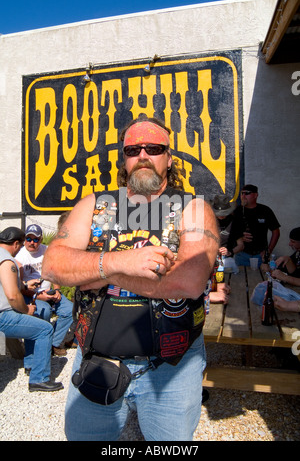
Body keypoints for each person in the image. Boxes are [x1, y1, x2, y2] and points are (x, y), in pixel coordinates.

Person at [42, 115, 219, 441]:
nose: (143, 155)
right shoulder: (95, 205)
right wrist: (122, 262)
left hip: (172, 370)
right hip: (95, 361)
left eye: (153, 147)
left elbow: (189, 281)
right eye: (133, 149)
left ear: (168, 157)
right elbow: (53, 264)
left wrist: (105, 274)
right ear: (124, 158)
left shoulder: (191, 208)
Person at [0, 227, 63, 392]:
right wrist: (26, 310)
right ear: (15, 244)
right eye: (20, 245)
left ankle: (30, 365)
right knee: (44, 329)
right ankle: (39, 379)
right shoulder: (7, 261)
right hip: (2, 317)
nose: (20, 249)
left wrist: (26, 284)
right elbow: (13, 296)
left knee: (32, 325)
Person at [16, 224, 73, 356]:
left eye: (35, 239)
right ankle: (39, 347)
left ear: (41, 240)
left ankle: (52, 343)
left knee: (69, 310)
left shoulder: (47, 250)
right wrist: (40, 296)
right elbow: (21, 287)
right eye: (29, 239)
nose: (32, 242)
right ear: (24, 239)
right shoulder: (19, 257)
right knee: (44, 311)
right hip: (32, 295)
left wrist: (57, 290)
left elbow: (55, 273)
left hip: (49, 292)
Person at [229, 184, 280, 267]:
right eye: (242, 193)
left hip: (260, 255)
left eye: (247, 193)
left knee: (261, 278)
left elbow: (276, 232)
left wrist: (269, 251)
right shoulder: (236, 211)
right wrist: (239, 238)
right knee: (240, 278)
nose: (243, 196)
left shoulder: (265, 210)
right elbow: (227, 232)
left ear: (255, 195)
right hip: (241, 255)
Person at [210, 194, 243, 273]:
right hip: (209, 259)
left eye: (224, 213)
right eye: (219, 213)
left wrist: (229, 252)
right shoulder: (209, 220)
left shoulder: (234, 222)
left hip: (226, 260)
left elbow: (241, 245)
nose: (221, 215)